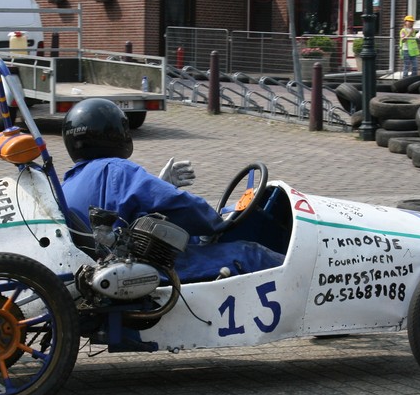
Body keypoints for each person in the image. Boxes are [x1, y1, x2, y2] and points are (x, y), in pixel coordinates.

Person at [61, 98, 284, 283]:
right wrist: (216, 223)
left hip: (106, 266)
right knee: (250, 253)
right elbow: (181, 205)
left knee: (191, 239)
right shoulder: (116, 169)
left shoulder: (68, 182)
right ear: (115, 134)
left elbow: (125, 209)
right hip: (140, 269)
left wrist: (160, 183)